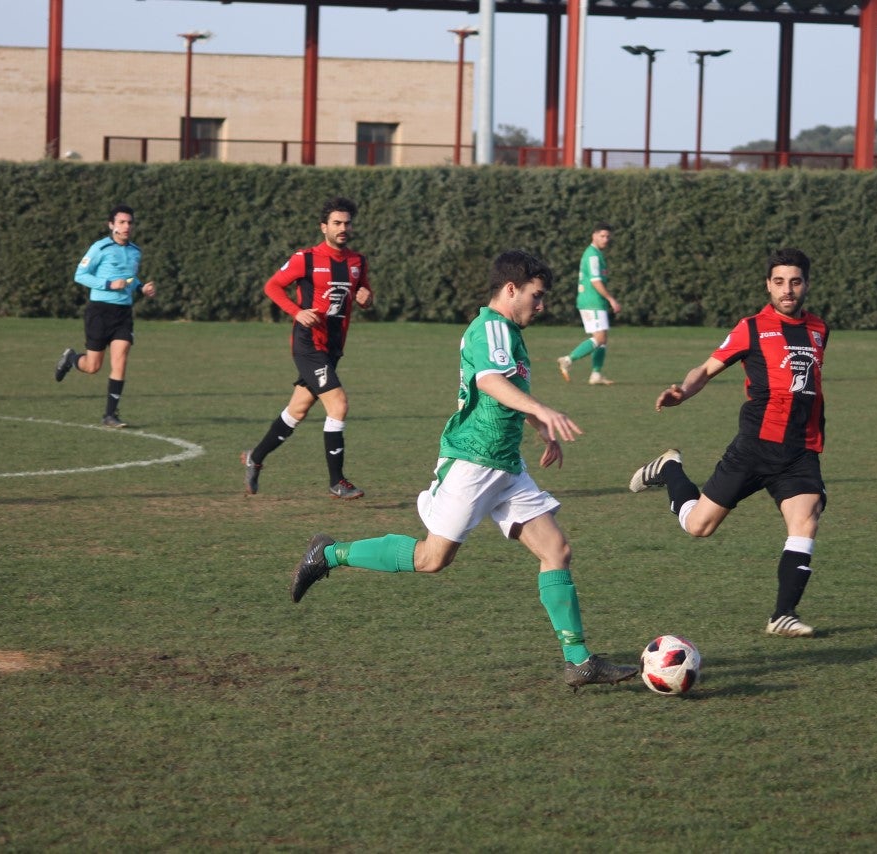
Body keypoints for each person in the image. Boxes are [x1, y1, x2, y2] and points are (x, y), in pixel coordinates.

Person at [290, 250, 638, 690]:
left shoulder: (506, 330)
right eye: (537, 295)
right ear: (511, 289)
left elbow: (507, 387)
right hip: (473, 461)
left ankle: (579, 661)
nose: (542, 305)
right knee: (431, 559)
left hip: (505, 464)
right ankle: (329, 554)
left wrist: (539, 428)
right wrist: (544, 411)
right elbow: (490, 381)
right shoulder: (490, 327)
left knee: (556, 551)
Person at [628, 248, 828, 639]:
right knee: (699, 527)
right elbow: (705, 368)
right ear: (768, 285)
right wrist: (682, 392)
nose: (787, 290)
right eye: (779, 282)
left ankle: (782, 614)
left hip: (801, 449)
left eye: (795, 281)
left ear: (806, 283)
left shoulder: (819, 329)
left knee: (806, 519)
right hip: (755, 445)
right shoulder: (751, 327)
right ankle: (670, 468)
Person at [240, 197, 371, 500]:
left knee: (297, 410)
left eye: (347, 223)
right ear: (324, 226)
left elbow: (363, 293)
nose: (343, 228)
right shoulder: (306, 258)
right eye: (336, 223)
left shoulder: (357, 262)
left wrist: (367, 298)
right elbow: (272, 286)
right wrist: (296, 311)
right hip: (308, 344)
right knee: (338, 404)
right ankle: (337, 481)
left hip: (333, 349)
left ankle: (255, 457)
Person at [53, 204, 157, 428]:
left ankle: (110, 415)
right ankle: (71, 358)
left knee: (120, 359)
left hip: (123, 313)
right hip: (99, 311)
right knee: (93, 367)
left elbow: (130, 278)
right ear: (112, 225)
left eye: (129, 222)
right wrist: (109, 284)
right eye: (121, 222)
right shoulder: (100, 248)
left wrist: (141, 289)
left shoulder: (135, 251)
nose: (126, 226)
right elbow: (80, 275)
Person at [557, 223, 620, 386]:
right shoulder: (592, 255)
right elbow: (595, 281)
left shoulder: (596, 254)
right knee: (599, 338)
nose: (605, 239)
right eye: (602, 236)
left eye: (607, 236)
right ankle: (568, 360)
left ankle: (596, 374)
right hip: (592, 302)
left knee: (602, 339)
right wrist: (611, 298)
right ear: (594, 235)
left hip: (594, 301)